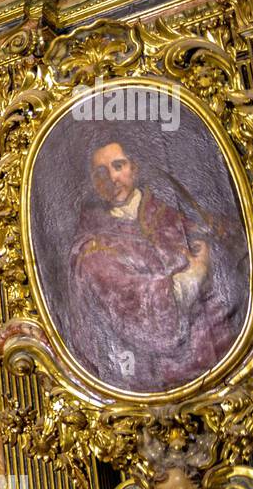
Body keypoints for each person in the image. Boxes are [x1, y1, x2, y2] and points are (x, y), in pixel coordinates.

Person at [67, 140, 244, 391]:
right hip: (158, 377)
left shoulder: (165, 214)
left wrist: (218, 244)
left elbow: (218, 254)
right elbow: (137, 309)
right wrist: (195, 274)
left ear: (133, 169)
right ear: (95, 184)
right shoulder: (92, 249)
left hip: (224, 355)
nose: (112, 179)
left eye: (118, 166)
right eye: (101, 173)